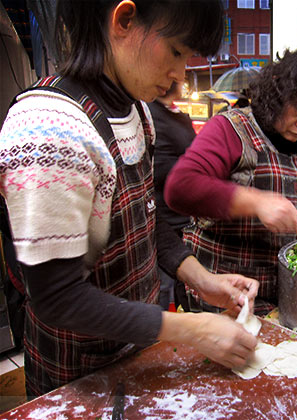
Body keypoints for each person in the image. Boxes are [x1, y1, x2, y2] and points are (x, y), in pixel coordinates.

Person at [0, 0, 259, 398]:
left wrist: (201, 279)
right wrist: (193, 329)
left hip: (137, 358)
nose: (179, 75)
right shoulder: (49, 129)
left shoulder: (138, 111)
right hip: (77, 380)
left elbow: (143, 219)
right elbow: (57, 298)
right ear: (123, 20)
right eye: (176, 51)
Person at [165, 46, 297, 313]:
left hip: (285, 300)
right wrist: (255, 202)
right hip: (224, 300)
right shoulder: (232, 128)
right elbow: (180, 187)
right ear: (280, 93)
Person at [148, 81, 197, 311]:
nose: (181, 73)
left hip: (182, 224)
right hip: (161, 219)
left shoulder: (175, 114)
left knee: (180, 291)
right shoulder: (149, 112)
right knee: (162, 293)